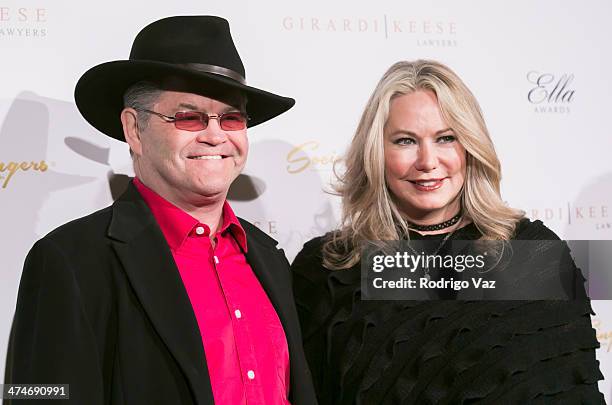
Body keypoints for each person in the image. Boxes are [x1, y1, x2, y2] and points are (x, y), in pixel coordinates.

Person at [6, 16, 316, 405]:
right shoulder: (69, 261)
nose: (216, 135)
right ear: (134, 130)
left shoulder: (269, 258)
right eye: (189, 117)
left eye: (232, 117)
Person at [292, 60, 604, 404]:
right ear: (376, 153)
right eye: (405, 140)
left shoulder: (531, 255)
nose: (427, 161)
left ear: (470, 146)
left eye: (445, 138)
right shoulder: (331, 269)